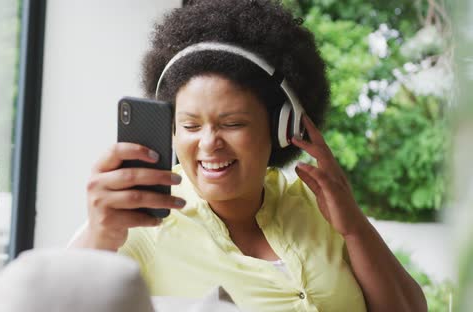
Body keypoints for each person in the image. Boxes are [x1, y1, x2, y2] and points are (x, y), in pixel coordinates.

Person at [69, 0, 427, 311]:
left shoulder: (318, 207)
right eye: (191, 126)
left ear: (280, 128)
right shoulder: (137, 225)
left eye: (232, 123)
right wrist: (100, 235)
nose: (209, 143)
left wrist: (353, 227)